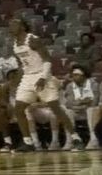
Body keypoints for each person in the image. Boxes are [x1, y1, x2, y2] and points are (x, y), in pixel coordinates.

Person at [9, 18, 82, 151]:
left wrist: (43, 77)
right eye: (10, 24)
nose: (11, 26)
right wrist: (16, 80)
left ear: (23, 27)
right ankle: (28, 142)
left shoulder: (33, 39)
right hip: (27, 77)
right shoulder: (14, 43)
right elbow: (23, 64)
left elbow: (47, 59)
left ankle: (76, 138)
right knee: (18, 108)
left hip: (42, 75)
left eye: (14, 24)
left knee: (55, 108)